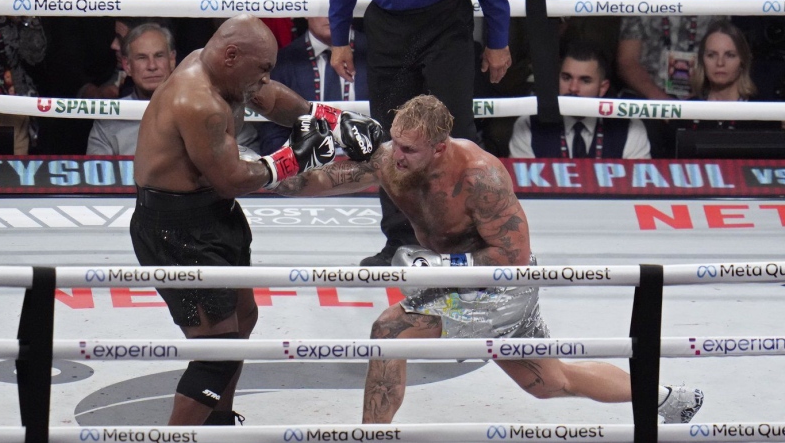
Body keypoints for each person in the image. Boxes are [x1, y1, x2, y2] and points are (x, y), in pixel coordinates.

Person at [274, 94, 703, 425]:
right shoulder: (391, 160)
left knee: (390, 330)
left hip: (502, 284)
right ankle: (669, 398)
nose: (395, 155)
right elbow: (323, 180)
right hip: (460, 281)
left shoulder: (481, 176)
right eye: (395, 143)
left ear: (439, 149)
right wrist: (273, 170)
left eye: (409, 149)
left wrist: (440, 268)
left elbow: (512, 257)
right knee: (551, 382)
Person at [129, 14, 382, 426]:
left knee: (244, 318)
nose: (264, 79)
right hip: (176, 231)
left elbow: (267, 96)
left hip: (214, 215)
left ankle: (219, 425)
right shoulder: (197, 100)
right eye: (261, 69)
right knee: (218, 352)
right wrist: (293, 158)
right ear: (232, 56)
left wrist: (327, 118)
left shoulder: (221, 70)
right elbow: (230, 179)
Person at [329, 0, 513, 267]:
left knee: (456, 132)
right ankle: (400, 241)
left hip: (445, 21)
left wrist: (498, 39)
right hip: (386, 23)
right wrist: (339, 39)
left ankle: (472, 240)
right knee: (392, 137)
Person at [87, 23, 259, 155]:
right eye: (141, 58)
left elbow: (248, 160)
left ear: (172, 60)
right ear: (127, 65)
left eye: (159, 56)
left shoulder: (213, 108)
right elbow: (95, 178)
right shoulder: (109, 120)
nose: (152, 66)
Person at [256, 0, 368, 155]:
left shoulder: (375, 53)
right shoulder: (283, 61)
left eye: (338, 7)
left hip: (368, 163)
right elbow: (272, 132)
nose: (331, 15)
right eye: (323, 7)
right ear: (307, 12)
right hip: (304, 167)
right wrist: (294, 166)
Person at [510, 41, 651, 159]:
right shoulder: (529, 124)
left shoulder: (630, 127)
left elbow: (639, 189)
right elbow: (520, 188)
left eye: (585, 81)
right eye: (566, 78)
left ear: (602, 88)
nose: (573, 88)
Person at [616, 0, 734, 100]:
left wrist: (705, 93)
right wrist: (662, 102)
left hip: (707, 97)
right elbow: (627, 60)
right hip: (647, 99)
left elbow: (734, 54)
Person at [0, 0, 46, 155]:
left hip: (16, 105)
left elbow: (35, 56)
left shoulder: (22, 1)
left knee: (13, 175)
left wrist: (27, 16)